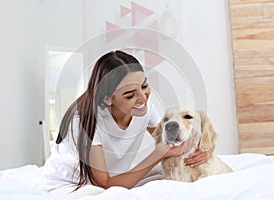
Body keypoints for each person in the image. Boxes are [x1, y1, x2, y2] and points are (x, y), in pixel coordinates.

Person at [42, 50, 214, 192]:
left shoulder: (144, 108)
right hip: (72, 185)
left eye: (144, 86)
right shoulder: (83, 120)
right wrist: (158, 154)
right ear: (108, 99)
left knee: (167, 173)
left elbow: (171, 141)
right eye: (130, 94)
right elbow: (104, 183)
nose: (142, 98)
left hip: (113, 177)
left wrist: (207, 149)